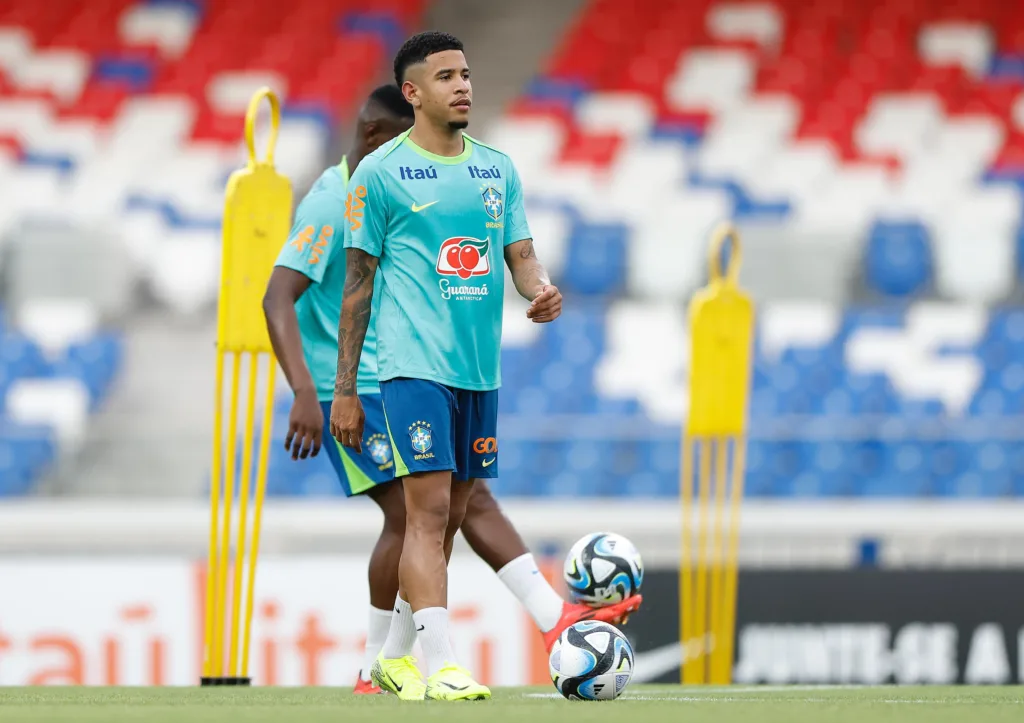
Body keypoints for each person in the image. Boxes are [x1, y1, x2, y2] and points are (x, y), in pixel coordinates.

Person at [267, 83, 642, 697]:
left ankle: (385, 662)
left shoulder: (432, 182)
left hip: (408, 366)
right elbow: (276, 296)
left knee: (457, 508)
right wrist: (307, 393)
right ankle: (410, 658)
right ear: (374, 138)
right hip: (360, 383)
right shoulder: (335, 199)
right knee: (415, 513)